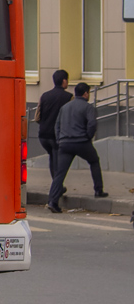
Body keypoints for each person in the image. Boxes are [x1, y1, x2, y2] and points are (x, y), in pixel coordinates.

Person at [47, 82, 108, 212]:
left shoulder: (65, 107)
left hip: (65, 144)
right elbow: (92, 124)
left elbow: (57, 125)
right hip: (81, 142)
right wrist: (88, 137)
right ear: (85, 93)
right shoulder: (87, 107)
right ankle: (98, 190)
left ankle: (53, 201)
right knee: (94, 161)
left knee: (60, 173)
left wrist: (59, 139)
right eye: (88, 93)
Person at [35, 70, 72, 179]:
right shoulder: (69, 97)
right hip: (57, 136)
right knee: (58, 162)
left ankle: (56, 184)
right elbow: (70, 117)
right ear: (64, 81)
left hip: (43, 135)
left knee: (52, 157)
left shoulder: (44, 96)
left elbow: (37, 117)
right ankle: (57, 187)